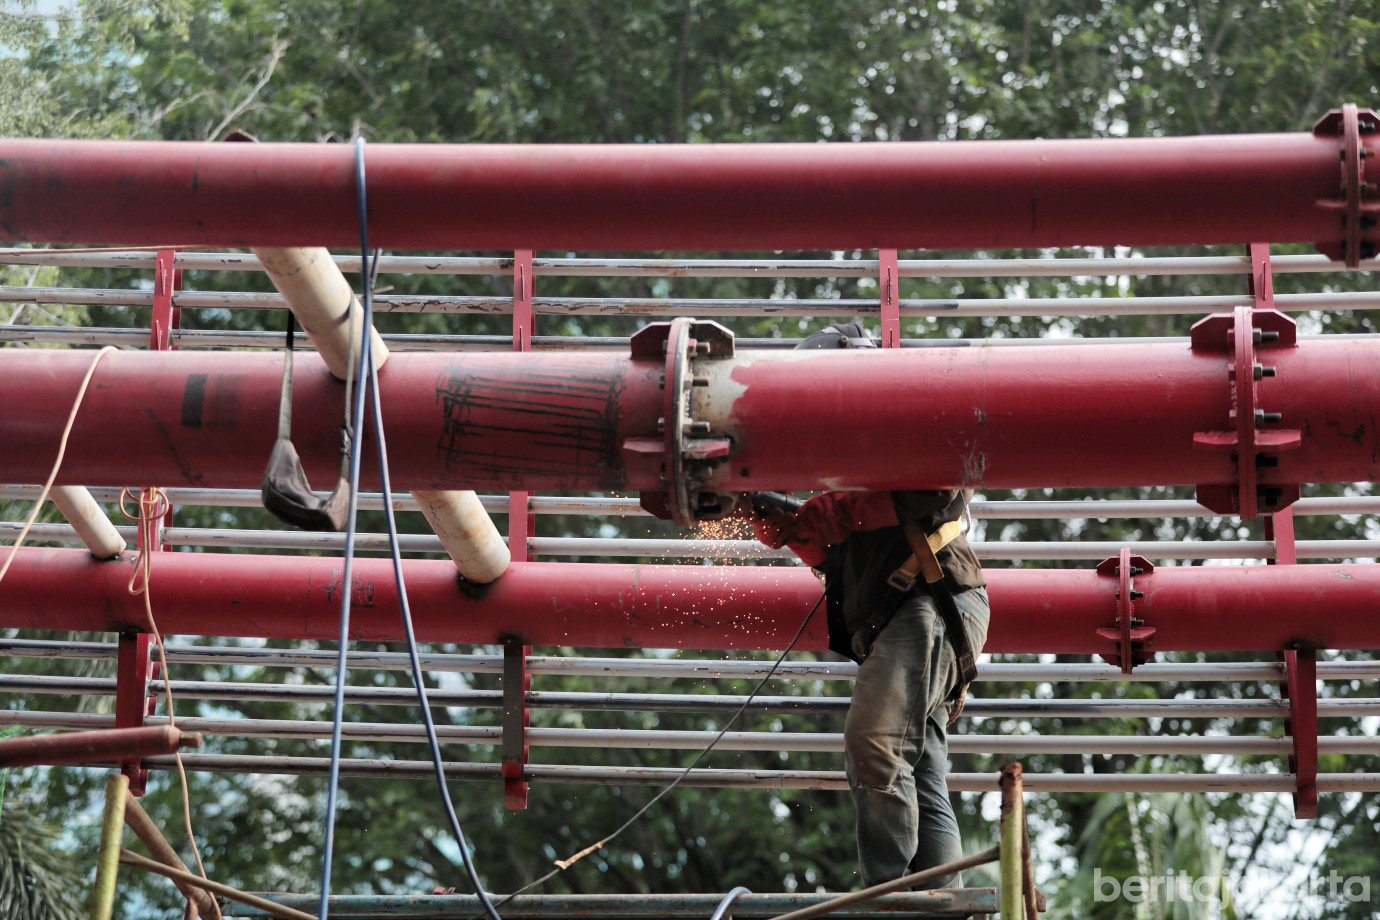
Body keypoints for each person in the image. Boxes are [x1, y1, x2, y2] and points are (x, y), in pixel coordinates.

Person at [753, 324, 990, 890]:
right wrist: (789, 528)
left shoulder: (910, 422)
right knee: (920, 774)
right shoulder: (847, 469)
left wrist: (817, 514)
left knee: (873, 744)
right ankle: (939, 899)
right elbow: (838, 550)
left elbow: (928, 492)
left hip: (930, 603)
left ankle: (888, 894)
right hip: (911, 618)